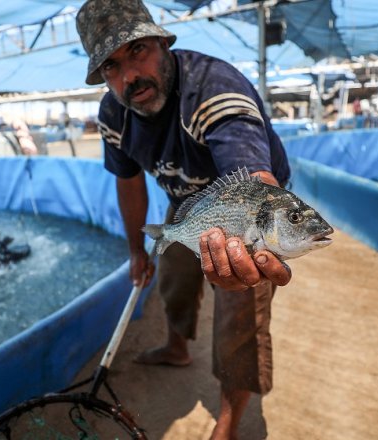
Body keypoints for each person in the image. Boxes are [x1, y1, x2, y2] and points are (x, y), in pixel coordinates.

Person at [76, 1, 293, 438]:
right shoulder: (114, 114)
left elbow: (255, 176)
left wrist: (257, 237)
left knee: (240, 311)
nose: (129, 76)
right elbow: (128, 180)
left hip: (247, 208)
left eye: (138, 51)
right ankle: (178, 347)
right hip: (188, 203)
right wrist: (137, 250)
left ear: (163, 43)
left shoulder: (213, 90)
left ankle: (228, 421)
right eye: (112, 66)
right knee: (173, 275)